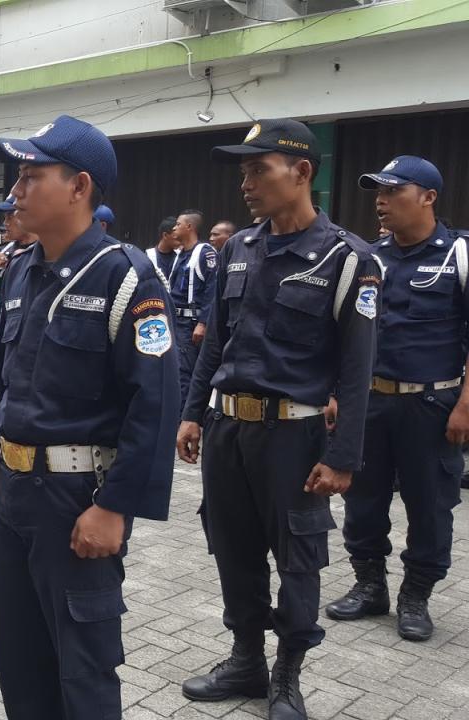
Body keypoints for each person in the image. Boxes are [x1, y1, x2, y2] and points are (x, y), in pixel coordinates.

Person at [0, 114, 179, 720]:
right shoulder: (20, 269)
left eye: (31, 176)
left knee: (83, 666)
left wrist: (115, 507)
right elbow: (3, 381)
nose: (15, 191)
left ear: (80, 186)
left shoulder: (128, 277)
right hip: (13, 494)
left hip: (76, 497)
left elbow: (156, 405)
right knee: (16, 652)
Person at [177, 119, 379, 720]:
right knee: (233, 548)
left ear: (303, 172)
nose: (246, 182)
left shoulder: (348, 259)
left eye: (258, 169)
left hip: (295, 434)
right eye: (242, 171)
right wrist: (192, 413)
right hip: (227, 429)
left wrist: (344, 457)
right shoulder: (237, 249)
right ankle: (245, 659)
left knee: (297, 554)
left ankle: (287, 672)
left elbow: (357, 368)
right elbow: (215, 341)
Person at [324, 156, 465, 643]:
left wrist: (466, 405)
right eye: (377, 193)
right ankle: (369, 586)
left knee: (430, 505)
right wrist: (337, 394)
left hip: (432, 405)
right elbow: (344, 336)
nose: (381, 203)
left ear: (428, 197)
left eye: (393, 192)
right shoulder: (368, 258)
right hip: (371, 402)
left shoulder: (459, 255)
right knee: (363, 499)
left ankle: (416, 596)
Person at [168, 209, 217, 404]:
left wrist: (203, 323)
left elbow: (212, 291)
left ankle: (182, 422)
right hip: (175, 320)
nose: (174, 227)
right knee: (176, 370)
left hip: (190, 323)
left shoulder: (204, 253)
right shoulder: (179, 255)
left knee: (184, 373)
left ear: (189, 227)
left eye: (178, 224)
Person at [146, 216, 180, 283]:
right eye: (177, 239)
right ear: (165, 235)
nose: (180, 242)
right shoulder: (149, 256)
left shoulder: (180, 256)